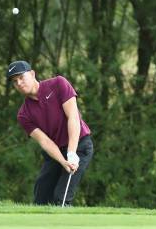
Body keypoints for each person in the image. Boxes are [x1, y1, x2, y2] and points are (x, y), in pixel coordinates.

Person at [7, 60, 94, 206]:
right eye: (15, 81)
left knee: (61, 198)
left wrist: (72, 154)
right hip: (56, 153)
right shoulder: (24, 115)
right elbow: (45, 141)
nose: (19, 83)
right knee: (41, 197)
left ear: (32, 73)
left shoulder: (58, 84)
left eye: (21, 77)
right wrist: (62, 161)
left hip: (79, 145)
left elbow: (73, 118)